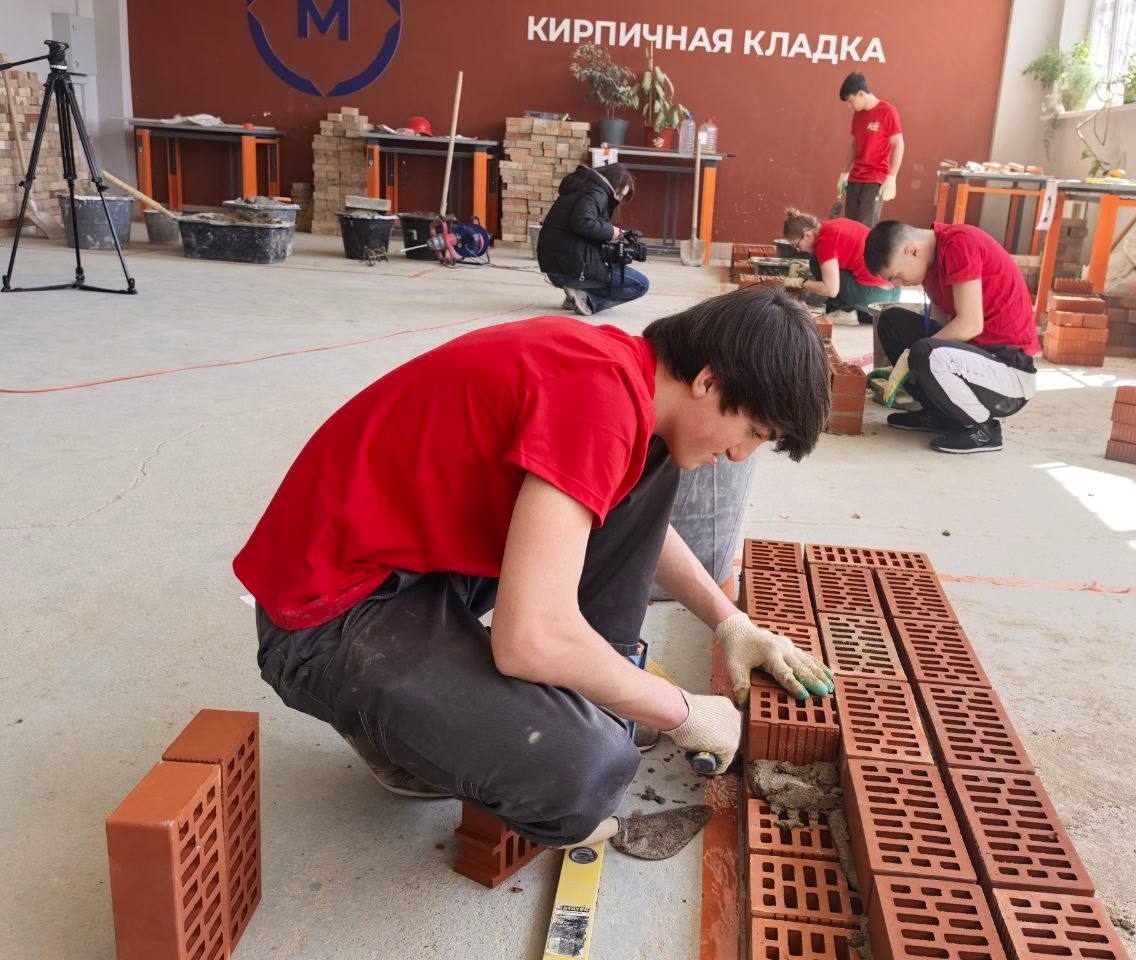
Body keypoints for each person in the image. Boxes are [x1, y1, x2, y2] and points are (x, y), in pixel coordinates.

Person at [233, 285, 834, 855]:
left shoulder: (627, 381)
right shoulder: (596, 403)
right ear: (708, 381)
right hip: (326, 616)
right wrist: (679, 709)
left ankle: (587, 690)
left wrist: (732, 624)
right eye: (751, 432)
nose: (738, 454)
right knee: (583, 773)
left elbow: (624, 515)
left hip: (413, 566)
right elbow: (527, 642)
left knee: (661, 460)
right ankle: (408, 738)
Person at [863, 220, 1040, 455]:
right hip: (975, 361)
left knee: (925, 351)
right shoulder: (930, 264)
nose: (898, 283)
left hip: (1009, 369)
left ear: (912, 251)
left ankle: (984, 430)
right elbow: (941, 326)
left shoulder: (959, 244)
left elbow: (969, 325)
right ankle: (940, 414)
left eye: (896, 275)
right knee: (892, 322)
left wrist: (912, 355)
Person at [538, 161, 648, 316]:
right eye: (620, 194)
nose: (618, 199)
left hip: (557, 265)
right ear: (614, 183)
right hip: (571, 268)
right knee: (641, 284)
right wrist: (614, 232)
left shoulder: (583, 187)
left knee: (620, 272)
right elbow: (582, 222)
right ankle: (588, 300)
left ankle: (575, 297)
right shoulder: (596, 192)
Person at [782, 208, 900, 325]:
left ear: (807, 235)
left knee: (816, 264)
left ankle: (845, 311)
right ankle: (855, 309)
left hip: (878, 296)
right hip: (894, 291)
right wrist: (806, 269)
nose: (799, 250)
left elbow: (831, 290)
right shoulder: (832, 225)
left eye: (797, 245)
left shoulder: (824, 242)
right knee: (818, 264)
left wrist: (800, 282)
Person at [838, 73, 904, 228]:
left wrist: (892, 177)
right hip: (855, 177)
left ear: (861, 94)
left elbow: (899, 145)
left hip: (875, 179)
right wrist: (844, 173)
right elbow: (855, 144)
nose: (850, 106)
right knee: (850, 226)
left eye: (851, 101)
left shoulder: (888, 111)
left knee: (864, 229)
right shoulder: (858, 114)